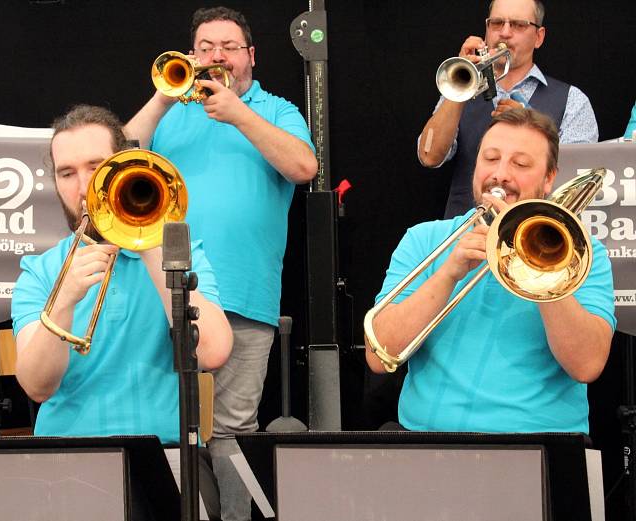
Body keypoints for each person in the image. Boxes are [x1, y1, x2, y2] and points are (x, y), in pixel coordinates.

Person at [124, 6, 317, 520]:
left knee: (231, 428)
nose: (216, 56)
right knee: (167, 424)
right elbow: (116, 157)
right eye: (205, 47)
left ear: (250, 56)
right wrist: (165, 96)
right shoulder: (170, 114)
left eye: (228, 46)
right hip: (162, 293)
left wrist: (239, 113)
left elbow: (304, 167)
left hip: (243, 295)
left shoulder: (274, 109)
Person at [368, 108, 615, 433]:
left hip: (541, 447)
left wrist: (540, 267)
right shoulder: (424, 239)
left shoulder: (582, 252)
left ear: (549, 177)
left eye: (521, 164)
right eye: (490, 158)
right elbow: (379, 356)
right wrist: (447, 274)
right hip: (429, 446)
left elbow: (586, 365)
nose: (500, 174)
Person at [11, 103, 232, 438]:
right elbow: (37, 387)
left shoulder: (179, 252)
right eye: (67, 173)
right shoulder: (40, 270)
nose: (83, 187)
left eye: (95, 167)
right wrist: (64, 300)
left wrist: (147, 241)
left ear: (124, 167)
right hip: (70, 454)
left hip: (166, 449)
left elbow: (213, 353)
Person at [418, 0, 598, 219]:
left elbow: (575, 183)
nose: (504, 32)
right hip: (465, 233)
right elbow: (429, 155)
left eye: (518, 25)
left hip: (532, 238)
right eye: (496, 23)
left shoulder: (573, 100)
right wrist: (458, 88)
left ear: (539, 36)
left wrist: (528, 122)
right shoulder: (460, 90)